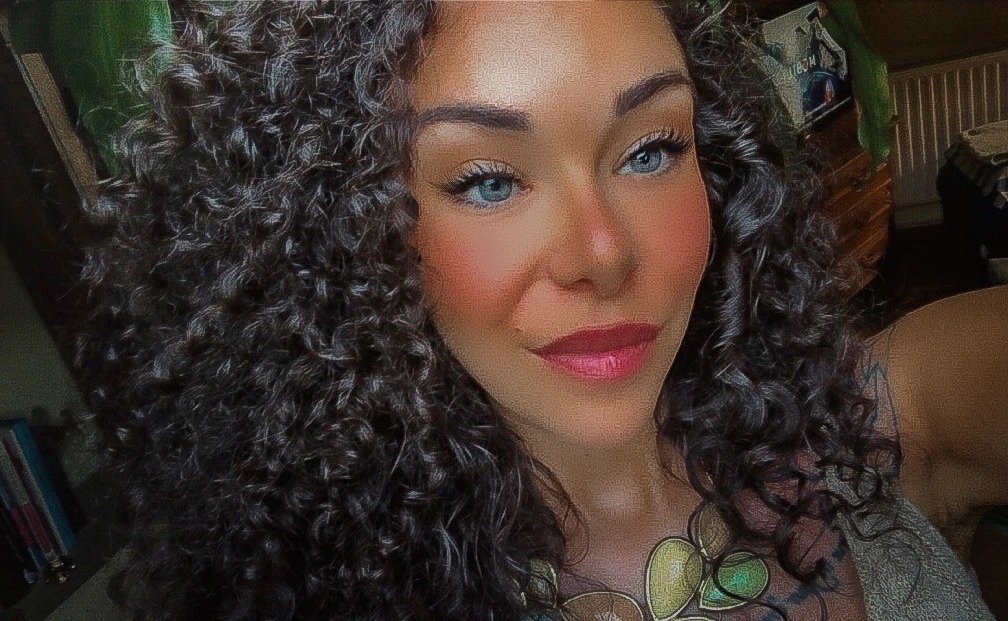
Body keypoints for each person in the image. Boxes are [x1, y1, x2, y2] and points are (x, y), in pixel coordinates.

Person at [76, 1, 1007, 620]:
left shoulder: (871, 428)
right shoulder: (329, 590)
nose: (602, 253)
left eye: (650, 149)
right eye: (486, 180)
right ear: (348, 230)